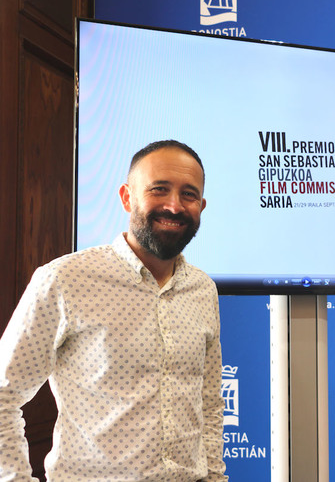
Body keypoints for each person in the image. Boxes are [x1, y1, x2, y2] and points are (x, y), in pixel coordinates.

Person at [0, 140, 227, 481]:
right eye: (159, 189)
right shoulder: (64, 280)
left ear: (202, 206)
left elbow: (209, 404)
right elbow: (4, 394)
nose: (174, 206)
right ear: (127, 197)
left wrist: (215, 477)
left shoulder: (202, 289)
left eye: (189, 195)